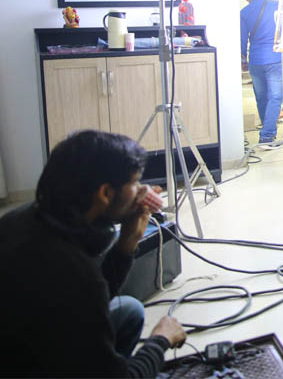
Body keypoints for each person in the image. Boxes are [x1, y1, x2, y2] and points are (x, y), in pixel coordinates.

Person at [0, 130, 187, 377]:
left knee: (129, 311)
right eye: (134, 183)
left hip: (28, 343)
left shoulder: (23, 219)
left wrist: (127, 243)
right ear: (105, 193)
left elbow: (88, 303)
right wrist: (160, 340)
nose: (142, 191)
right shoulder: (74, 271)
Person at [240, 0, 282, 148]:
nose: (248, 1)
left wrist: (243, 59)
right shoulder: (278, 6)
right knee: (275, 97)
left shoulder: (244, 12)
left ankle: (267, 131)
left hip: (256, 60)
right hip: (275, 58)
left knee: (261, 97)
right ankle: (267, 135)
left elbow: (242, 39)